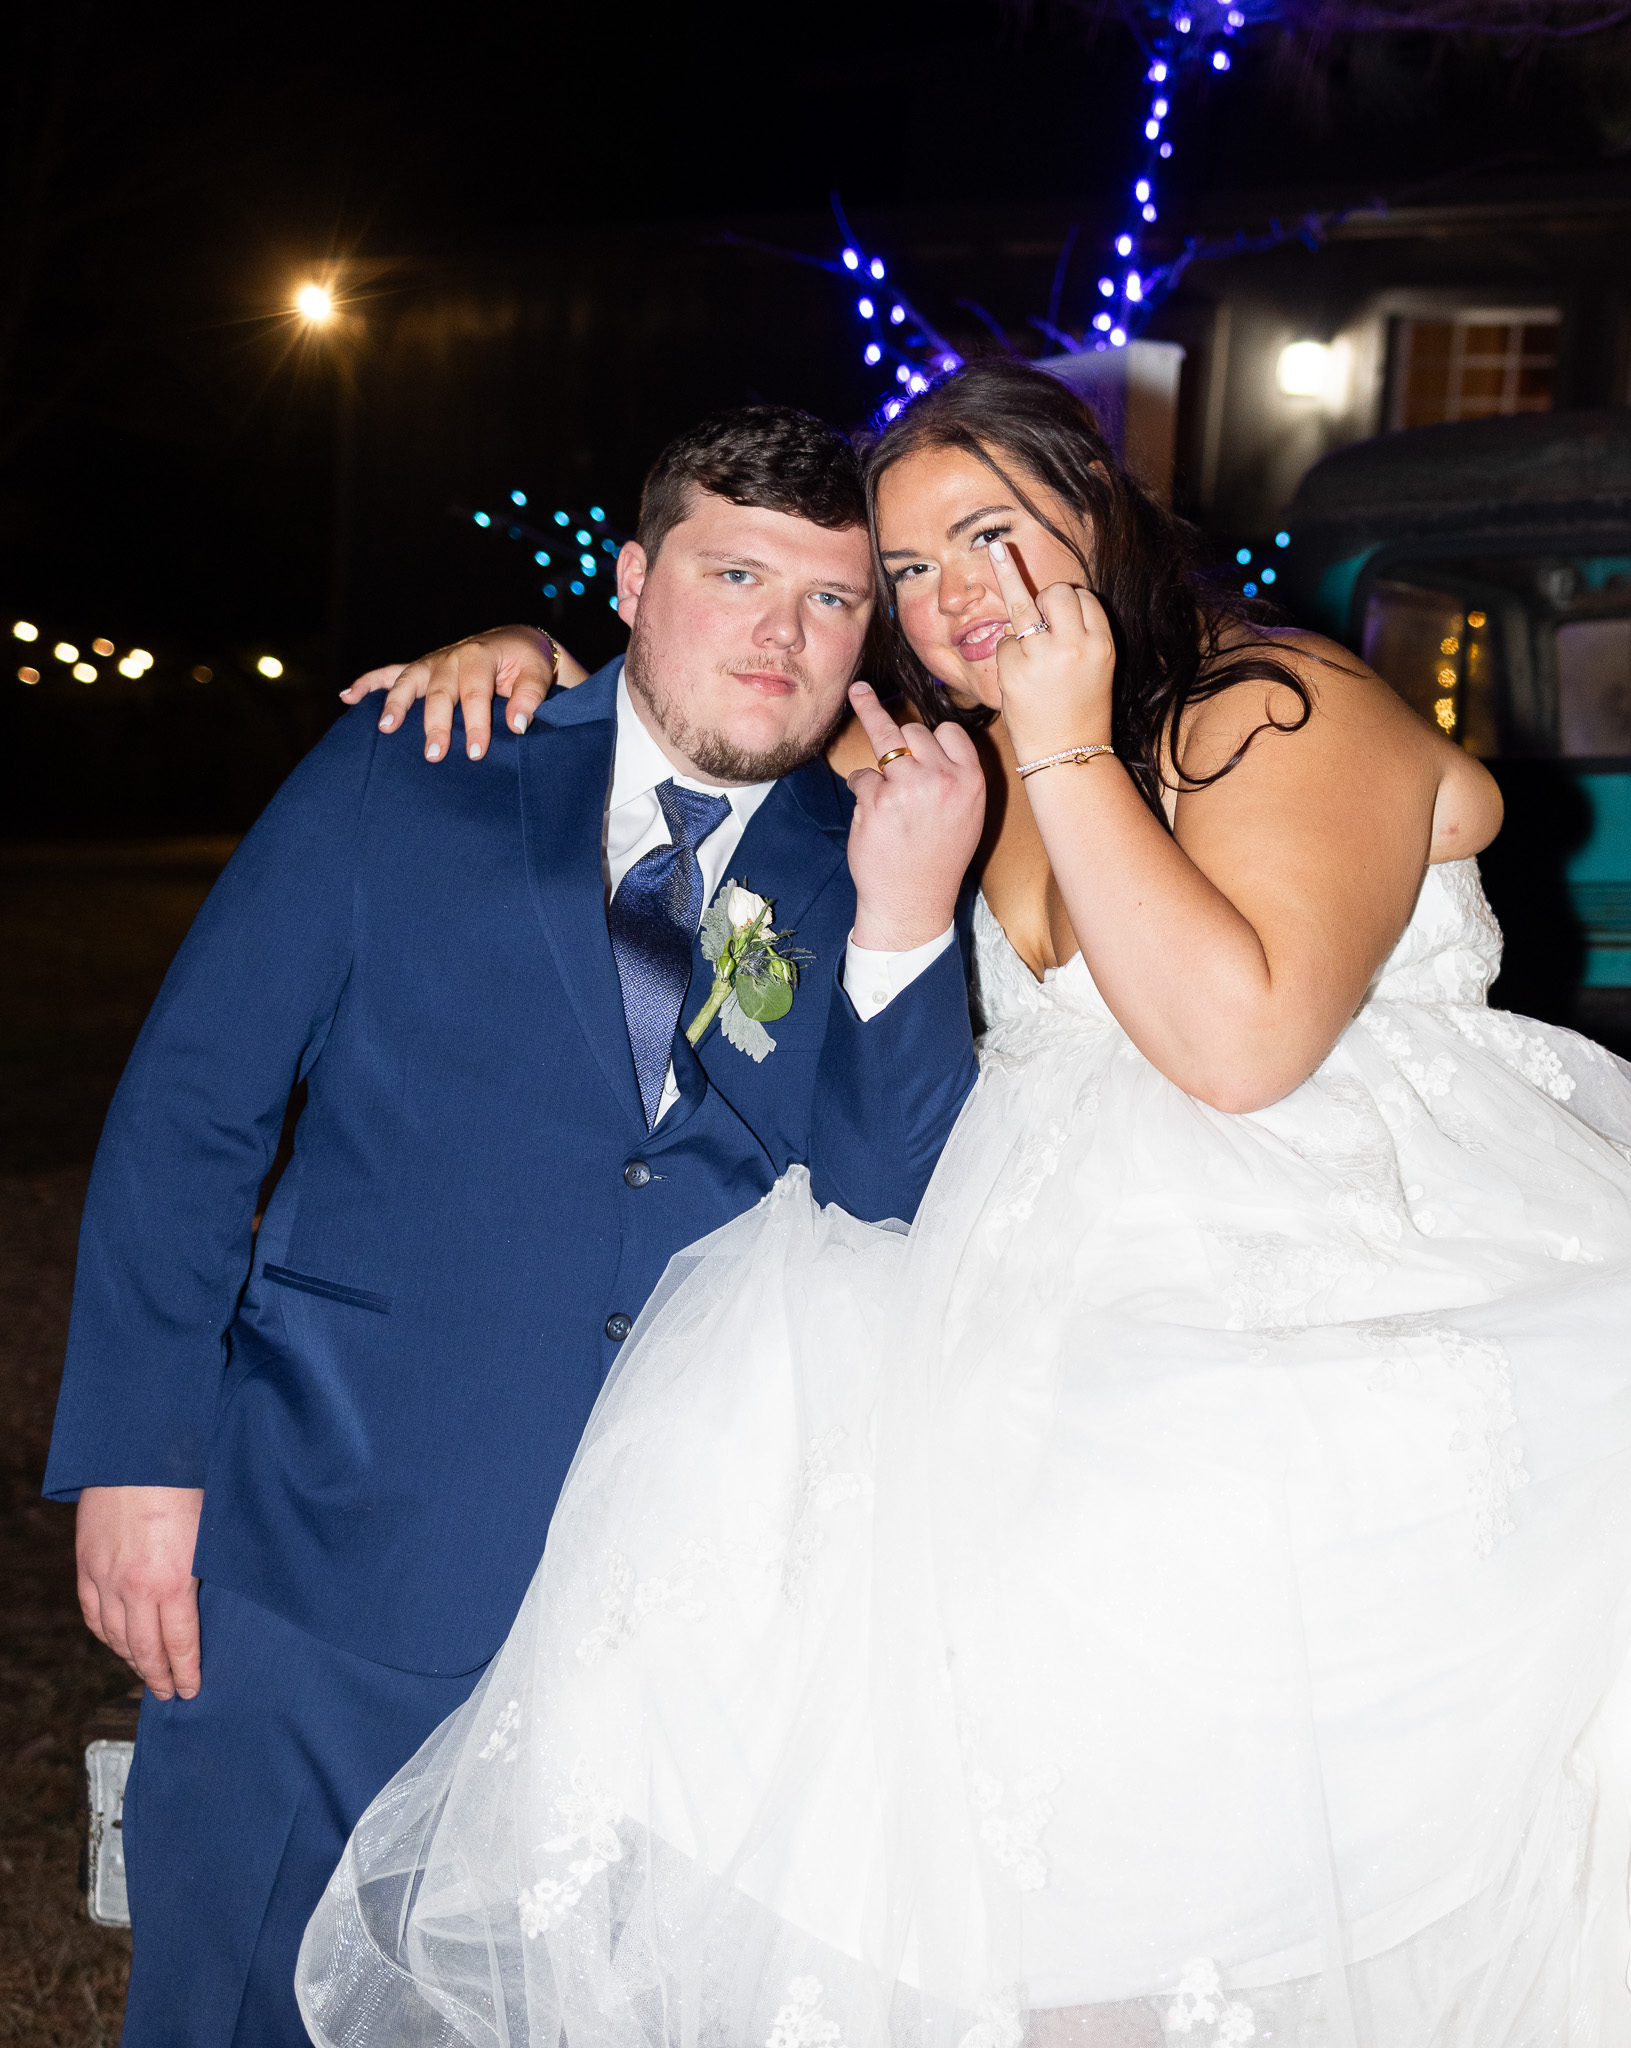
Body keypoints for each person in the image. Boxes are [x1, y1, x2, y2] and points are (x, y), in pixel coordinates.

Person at [300, 360, 1631, 2047]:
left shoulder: (1274, 705)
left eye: (990, 533)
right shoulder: (973, 765)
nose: (946, 596)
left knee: (1186, 1735)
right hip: (1035, 1289)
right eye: (906, 572)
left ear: (1095, 507)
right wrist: (524, 653)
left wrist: (1063, 748)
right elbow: (704, 713)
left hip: (1333, 1279)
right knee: (868, 1696)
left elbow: (1240, 1043)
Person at [43, 405, 986, 2048]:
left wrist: (909, 926)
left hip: (664, 1608)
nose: (781, 633)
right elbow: (195, 1111)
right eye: (735, 574)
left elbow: (890, 1214)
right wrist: (138, 1458)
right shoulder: (420, 758)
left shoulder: (880, 855)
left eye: (831, 601)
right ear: (631, 578)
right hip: (323, 1546)